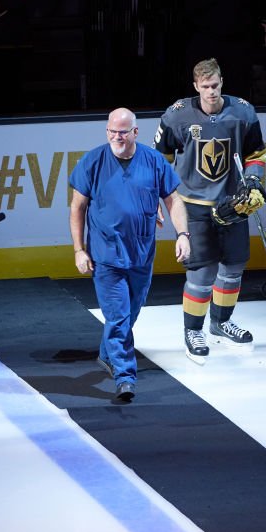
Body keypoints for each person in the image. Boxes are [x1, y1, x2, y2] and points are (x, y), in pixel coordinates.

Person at [69, 108, 190, 401]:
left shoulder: (153, 161)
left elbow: (173, 200)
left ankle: (107, 353)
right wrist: (78, 250)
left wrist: (183, 235)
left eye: (123, 131)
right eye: (112, 130)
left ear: (135, 132)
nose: (116, 136)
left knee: (129, 313)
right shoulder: (93, 161)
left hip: (141, 255)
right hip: (106, 256)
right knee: (120, 316)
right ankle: (125, 377)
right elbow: (77, 207)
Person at [154, 58, 266, 363]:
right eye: (205, 87)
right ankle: (193, 330)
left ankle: (221, 322)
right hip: (193, 206)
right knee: (202, 273)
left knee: (233, 269)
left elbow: (257, 153)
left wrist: (254, 181)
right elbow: (159, 160)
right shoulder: (177, 116)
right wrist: (160, 198)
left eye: (215, 85)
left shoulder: (243, 112)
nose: (211, 91)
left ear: (222, 82)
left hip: (232, 204)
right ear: (195, 87)